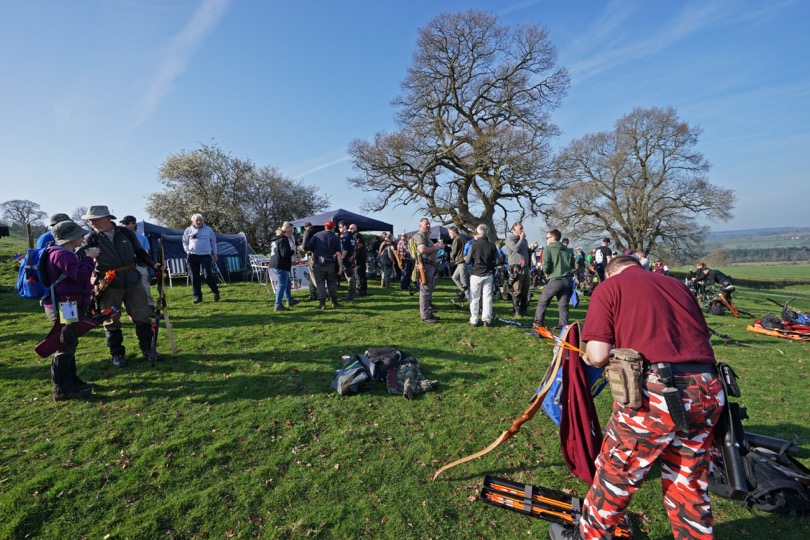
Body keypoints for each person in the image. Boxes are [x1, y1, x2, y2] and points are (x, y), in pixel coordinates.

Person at [550, 255, 724, 540]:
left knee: (617, 471)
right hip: (707, 389)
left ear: (610, 273)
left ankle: (588, 537)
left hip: (657, 394)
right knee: (688, 479)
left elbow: (597, 354)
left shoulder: (610, 287)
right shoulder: (677, 286)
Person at [82, 205, 163, 367]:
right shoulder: (90, 238)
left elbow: (140, 252)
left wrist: (153, 265)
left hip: (133, 279)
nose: (91, 222)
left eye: (95, 219)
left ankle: (148, 350)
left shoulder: (126, 232)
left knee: (142, 316)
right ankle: (117, 355)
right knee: (111, 320)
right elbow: (82, 259)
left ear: (107, 218)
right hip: (108, 283)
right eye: (90, 220)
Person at [42, 220, 98, 400]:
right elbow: (81, 275)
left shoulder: (59, 252)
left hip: (67, 304)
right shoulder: (61, 255)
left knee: (69, 342)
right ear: (70, 237)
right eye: (79, 234)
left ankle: (72, 381)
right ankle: (63, 388)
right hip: (63, 305)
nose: (82, 237)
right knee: (64, 343)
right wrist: (90, 257)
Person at [533, 229, 575, 329]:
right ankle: (564, 330)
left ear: (553, 238)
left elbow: (546, 264)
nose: (546, 240)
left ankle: (538, 328)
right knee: (563, 306)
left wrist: (546, 273)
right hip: (566, 280)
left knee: (542, 303)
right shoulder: (568, 250)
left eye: (547, 237)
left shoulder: (548, 249)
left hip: (555, 280)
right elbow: (573, 267)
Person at [502, 221, 539, 317]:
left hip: (525, 267)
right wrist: (521, 239)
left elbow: (526, 251)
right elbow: (515, 249)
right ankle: (516, 310)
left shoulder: (524, 240)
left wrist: (533, 248)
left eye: (522, 228)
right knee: (516, 290)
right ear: (514, 230)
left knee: (525, 289)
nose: (522, 230)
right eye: (520, 229)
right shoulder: (509, 239)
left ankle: (523, 310)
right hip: (515, 268)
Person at [182, 214, 221, 304]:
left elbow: (213, 242)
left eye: (200, 220)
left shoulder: (208, 230)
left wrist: (215, 253)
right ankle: (198, 297)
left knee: (207, 275)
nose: (199, 222)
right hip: (192, 255)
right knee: (194, 277)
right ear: (193, 221)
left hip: (205, 255)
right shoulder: (188, 230)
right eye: (197, 220)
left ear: (203, 221)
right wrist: (187, 251)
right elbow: (184, 241)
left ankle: (216, 291)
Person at [119, 215, 155, 311]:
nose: (123, 225)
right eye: (122, 223)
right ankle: (131, 311)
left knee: (145, 288)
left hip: (139, 266)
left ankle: (150, 308)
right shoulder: (119, 238)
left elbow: (145, 253)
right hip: (125, 267)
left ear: (134, 224)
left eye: (126, 223)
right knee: (127, 290)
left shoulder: (142, 238)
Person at [465, 224, 499, 327]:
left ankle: (474, 320)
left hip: (475, 274)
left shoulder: (473, 245)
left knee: (474, 298)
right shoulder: (492, 246)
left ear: (478, 233)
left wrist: (467, 258)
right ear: (487, 233)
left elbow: (467, 261)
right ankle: (486, 320)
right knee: (487, 298)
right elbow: (497, 261)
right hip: (488, 273)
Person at [305, 220, 343, 309]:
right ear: (333, 228)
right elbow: (339, 253)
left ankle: (322, 304)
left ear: (324, 227)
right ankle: (334, 302)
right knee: (332, 282)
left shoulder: (317, 235)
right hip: (331, 263)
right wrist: (340, 267)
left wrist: (315, 251)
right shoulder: (335, 237)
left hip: (318, 262)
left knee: (320, 283)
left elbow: (308, 246)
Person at [413, 218, 445, 323]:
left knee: (429, 291)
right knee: (425, 291)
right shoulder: (420, 236)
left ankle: (429, 313)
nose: (428, 225)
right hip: (425, 267)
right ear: (420, 225)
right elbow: (422, 250)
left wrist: (437, 247)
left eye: (429, 224)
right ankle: (425, 316)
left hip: (430, 266)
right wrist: (435, 248)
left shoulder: (425, 236)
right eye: (426, 224)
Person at [268, 223, 299, 311]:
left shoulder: (275, 239)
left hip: (274, 264)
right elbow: (285, 254)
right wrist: (293, 251)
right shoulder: (283, 240)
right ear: (288, 231)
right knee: (282, 285)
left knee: (287, 283)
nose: (291, 235)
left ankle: (289, 300)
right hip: (280, 265)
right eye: (291, 233)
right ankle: (278, 304)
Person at [448, 226, 469, 301]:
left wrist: (452, 260)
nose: (449, 234)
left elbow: (453, 252)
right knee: (454, 277)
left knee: (464, 283)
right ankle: (464, 293)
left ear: (454, 232)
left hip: (461, 262)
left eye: (450, 233)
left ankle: (470, 300)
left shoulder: (456, 239)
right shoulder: (463, 238)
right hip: (462, 262)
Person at [337, 221, 357, 300]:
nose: (339, 229)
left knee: (349, 276)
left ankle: (350, 294)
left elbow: (345, 250)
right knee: (351, 276)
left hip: (346, 259)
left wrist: (341, 259)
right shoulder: (351, 236)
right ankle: (353, 293)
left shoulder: (345, 236)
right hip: (351, 257)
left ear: (345, 227)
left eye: (340, 227)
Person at [300, 222, 318, 300]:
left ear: (305, 227)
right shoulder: (318, 231)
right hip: (319, 255)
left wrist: (307, 251)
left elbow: (304, 245)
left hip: (311, 255)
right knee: (317, 275)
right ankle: (314, 293)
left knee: (312, 274)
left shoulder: (307, 232)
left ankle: (315, 293)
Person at [351, 224, 368, 296]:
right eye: (350, 228)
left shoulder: (356, 236)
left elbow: (357, 248)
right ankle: (363, 289)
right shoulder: (359, 235)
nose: (350, 230)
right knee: (362, 274)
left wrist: (354, 257)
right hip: (362, 258)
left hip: (359, 259)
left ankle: (361, 289)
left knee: (359, 274)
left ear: (355, 228)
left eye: (352, 228)